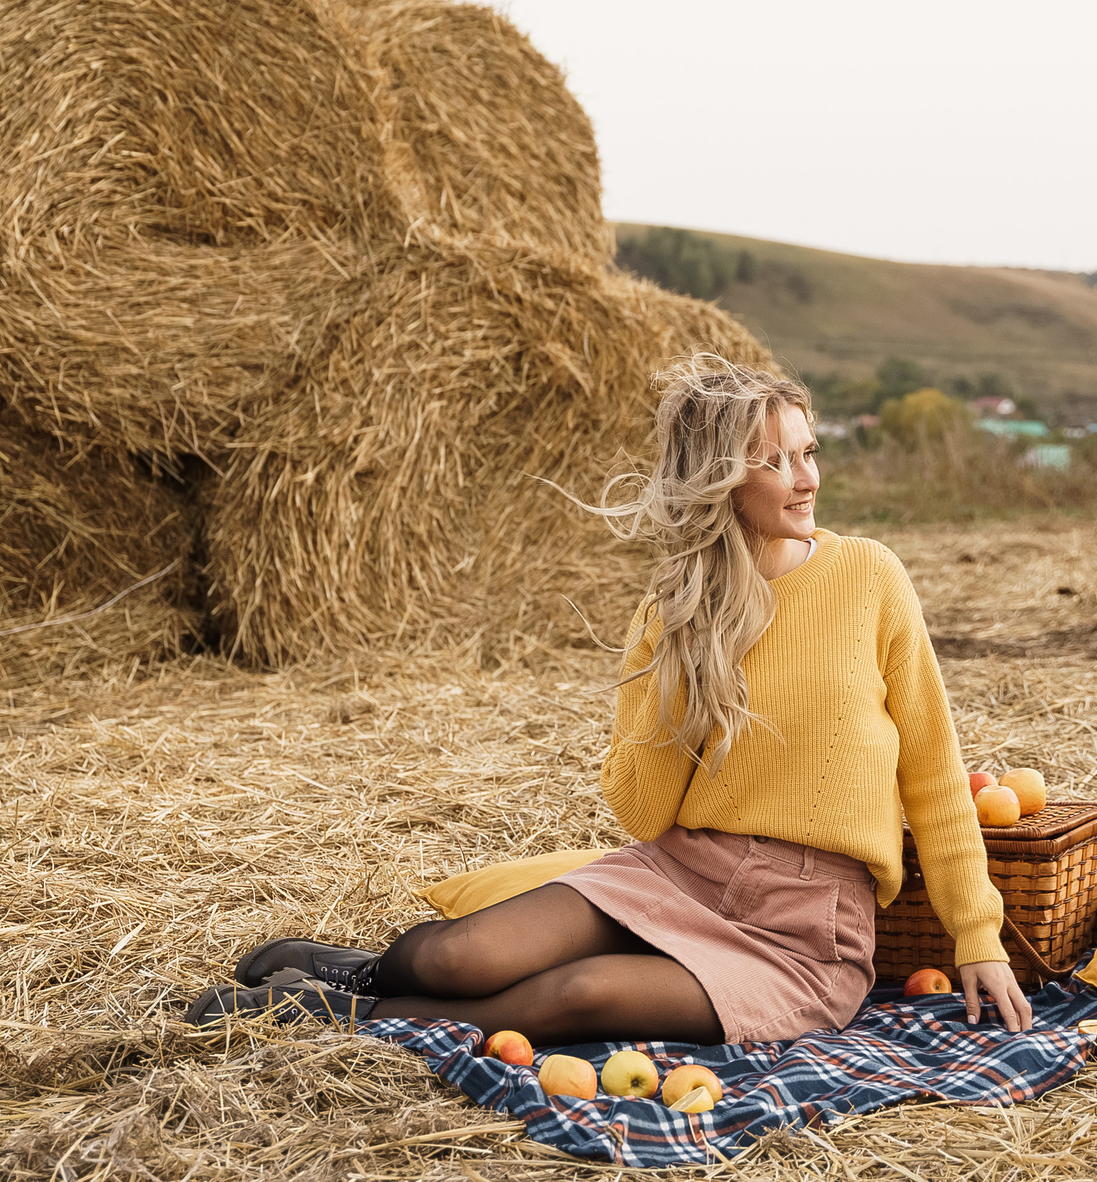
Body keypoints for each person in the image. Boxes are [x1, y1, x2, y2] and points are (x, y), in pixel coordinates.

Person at [184, 355, 1033, 1042]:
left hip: (805, 927)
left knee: (575, 995)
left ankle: (336, 1014)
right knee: (458, 953)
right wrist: (686, 667)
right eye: (772, 460)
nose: (803, 477)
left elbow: (932, 768)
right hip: (683, 869)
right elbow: (643, 810)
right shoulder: (672, 615)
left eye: (808, 451)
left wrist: (979, 937)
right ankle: (372, 969)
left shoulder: (869, 576)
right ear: (718, 481)